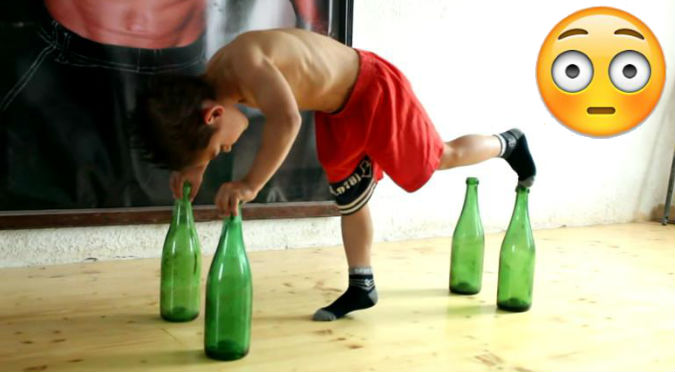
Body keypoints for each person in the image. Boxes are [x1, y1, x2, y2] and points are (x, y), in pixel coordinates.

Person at [136, 28, 536, 321]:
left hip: (373, 88)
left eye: (219, 149)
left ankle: (508, 143)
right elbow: (207, 129)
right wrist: (195, 165)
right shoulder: (211, 88)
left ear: (214, 115)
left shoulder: (245, 64)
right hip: (337, 110)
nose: (226, 151)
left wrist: (250, 184)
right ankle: (362, 285)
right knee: (351, 197)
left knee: (439, 157)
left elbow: (288, 119)